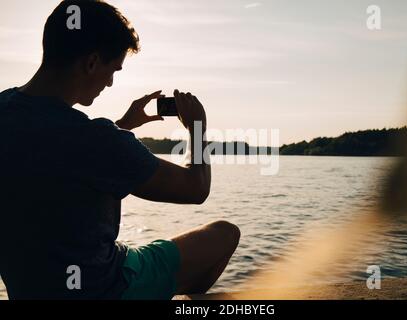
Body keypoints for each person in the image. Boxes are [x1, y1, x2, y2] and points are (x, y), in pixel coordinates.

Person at [0, 0, 240, 300]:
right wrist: (198, 128)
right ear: (91, 63)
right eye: (113, 70)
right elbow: (196, 189)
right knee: (225, 234)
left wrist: (123, 126)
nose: (111, 83)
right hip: (107, 289)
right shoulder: (95, 138)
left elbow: (60, 154)